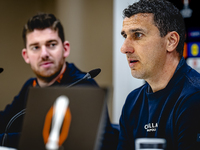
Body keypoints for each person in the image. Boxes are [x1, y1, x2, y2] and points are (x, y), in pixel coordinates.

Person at [0, 13, 118, 149]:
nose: (44, 54)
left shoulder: (83, 85)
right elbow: (5, 122)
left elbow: (104, 144)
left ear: (65, 49)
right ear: (26, 55)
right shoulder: (30, 86)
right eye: (35, 47)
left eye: (51, 45)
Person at [117, 0, 200, 149]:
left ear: (171, 41)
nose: (124, 48)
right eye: (125, 36)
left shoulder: (194, 97)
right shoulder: (132, 102)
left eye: (137, 35)